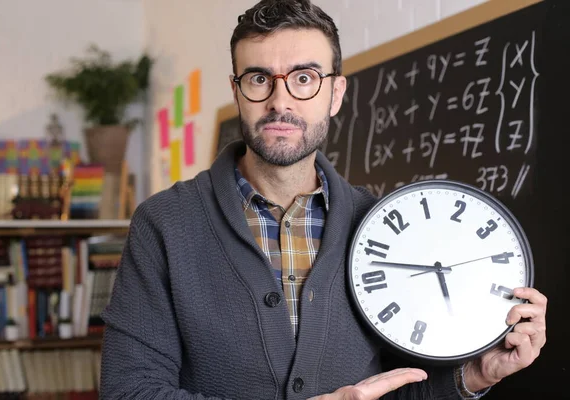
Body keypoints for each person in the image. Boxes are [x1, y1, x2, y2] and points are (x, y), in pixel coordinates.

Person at [99, 0, 547, 399]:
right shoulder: (163, 223)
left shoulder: (381, 224)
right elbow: (128, 390)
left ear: (336, 94)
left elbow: (397, 388)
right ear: (237, 91)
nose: (280, 101)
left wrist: (476, 374)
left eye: (305, 78)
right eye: (259, 78)